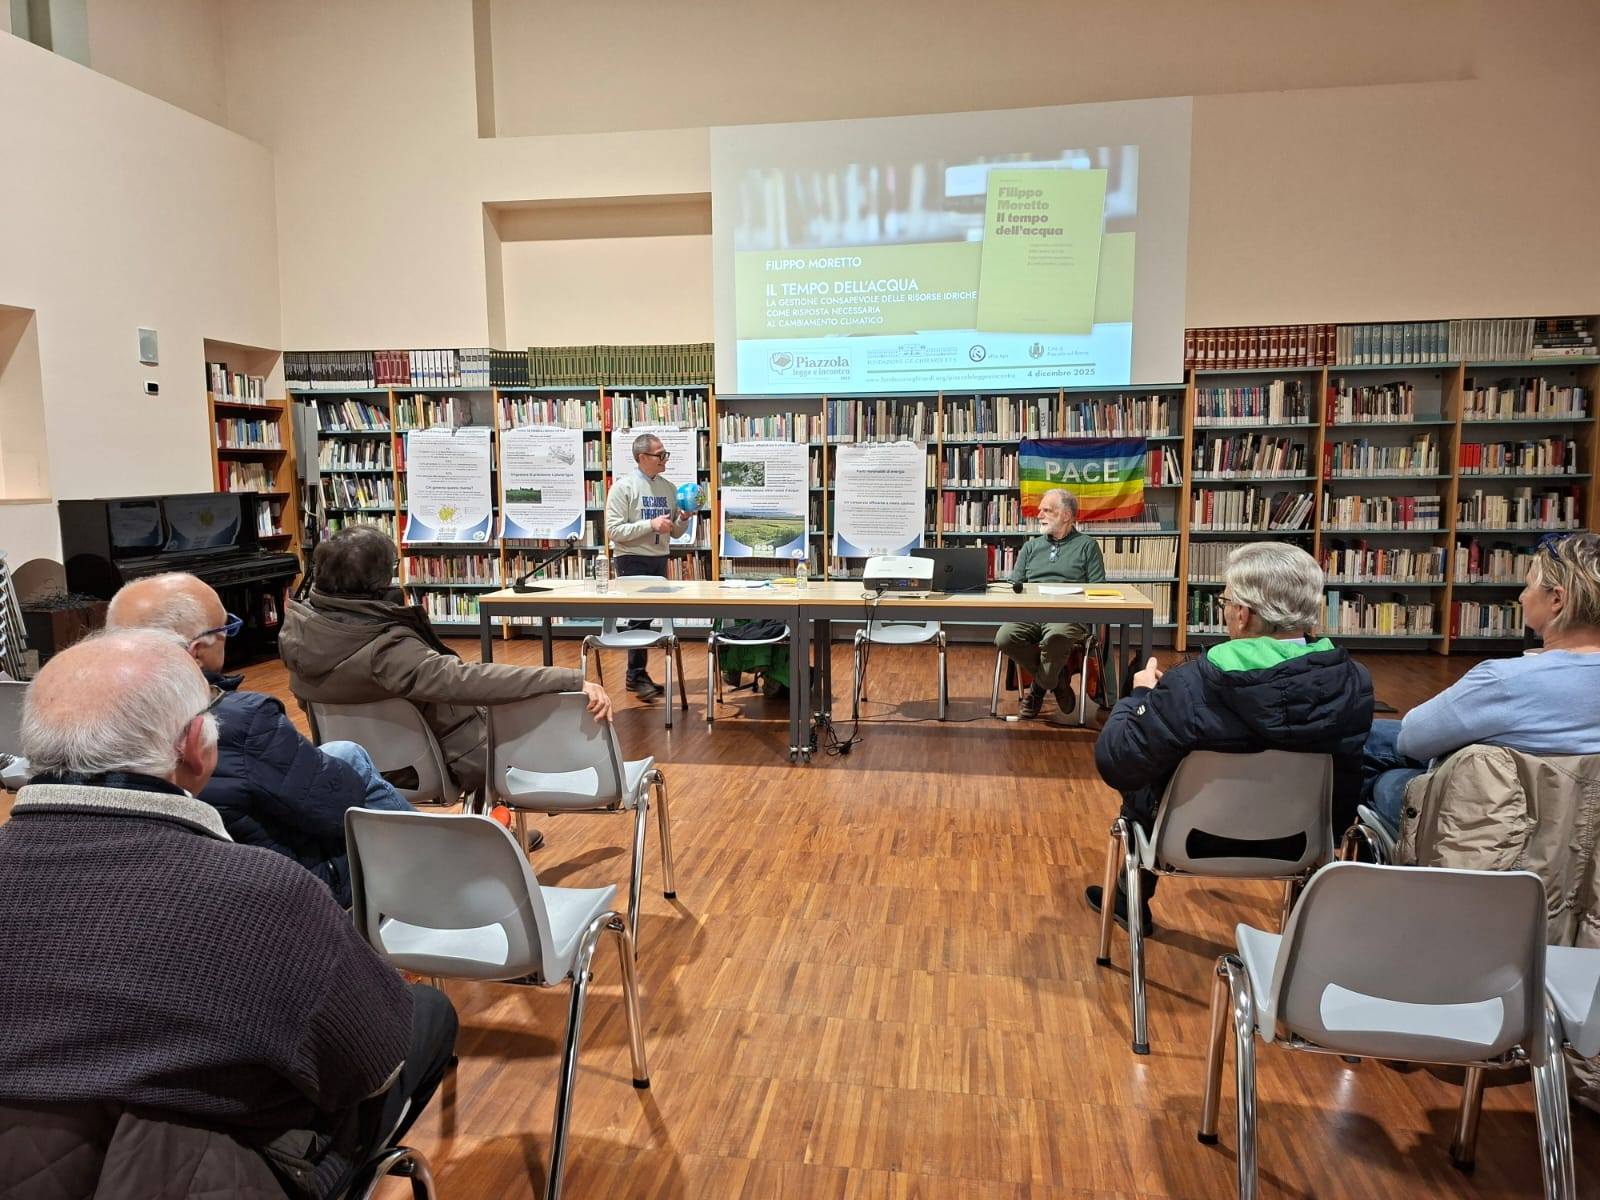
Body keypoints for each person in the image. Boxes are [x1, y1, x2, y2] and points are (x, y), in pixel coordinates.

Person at [0, 629, 457, 1197]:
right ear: (197, 748)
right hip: (212, 1173)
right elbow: (373, 1069)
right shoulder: (261, 893)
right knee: (428, 1013)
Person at [1089, 542, 1374, 931]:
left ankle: (1129, 898)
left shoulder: (1191, 685)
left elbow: (1116, 761)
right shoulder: (1353, 682)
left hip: (1192, 842)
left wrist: (1140, 696)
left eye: (1225, 601)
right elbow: (1347, 776)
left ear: (1242, 614)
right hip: (1301, 843)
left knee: (1147, 766)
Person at [106, 572, 413, 907]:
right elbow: (336, 806)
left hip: (184, 884)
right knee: (353, 766)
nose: (227, 636)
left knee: (343, 752)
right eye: (225, 628)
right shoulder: (240, 720)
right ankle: (431, 861)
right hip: (289, 886)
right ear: (195, 653)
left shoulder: (93, 722)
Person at [279, 525, 610, 803]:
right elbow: (467, 681)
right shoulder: (386, 650)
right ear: (380, 583)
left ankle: (496, 825)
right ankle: (493, 830)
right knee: (514, 726)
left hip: (346, 763)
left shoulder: (298, 634)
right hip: (422, 767)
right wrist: (567, 679)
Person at [1362, 530, 1600, 832]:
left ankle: (1341, 850)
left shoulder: (1505, 681)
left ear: (1556, 599)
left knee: (1380, 764)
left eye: (1528, 586)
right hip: (1581, 830)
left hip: (1498, 831)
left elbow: (1412, 740)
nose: (1521, 596)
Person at [994, 488, 1107, 719]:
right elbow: (1015, 585)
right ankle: (1057, 681)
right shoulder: (1031, 547)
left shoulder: (1087, 546)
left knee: (1056, 638)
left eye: (1047, 510)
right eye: (1040, 510)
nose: (1039, 515)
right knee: (1004, 637)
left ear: (1066, 515)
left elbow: (1098, 588)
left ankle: (1037, 690)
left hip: (1069, 615)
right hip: (1032, 613)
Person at [605, 432, 692, 699]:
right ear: (642, 457)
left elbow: (675, 532)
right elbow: (613, 531)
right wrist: (650, 525)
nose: (665, 459)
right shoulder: (623, 488)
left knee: (650, 616)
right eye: (660, 454)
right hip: (631, 558)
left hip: (659, 557)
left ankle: (638, 674)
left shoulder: (669, 488)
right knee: (639, 617)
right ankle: (635, 676)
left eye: (665, 454)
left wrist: (684, 518)